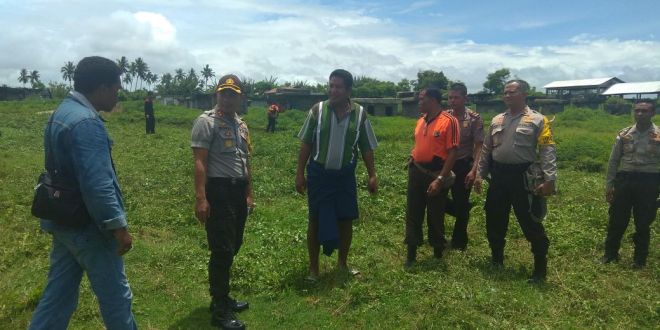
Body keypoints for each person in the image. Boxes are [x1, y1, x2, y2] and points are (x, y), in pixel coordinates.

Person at [29, 56, 137, 329]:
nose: (117, 94)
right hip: (88, 226)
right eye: (116, 88)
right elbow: (97, 184)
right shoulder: (87, 123)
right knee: (116, 297)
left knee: (58, 296)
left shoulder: (61, 113)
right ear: (101, 87)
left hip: (63, 219)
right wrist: (117, 226)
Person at [295, 69, 378, 281]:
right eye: (331, 86)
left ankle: (342, 263)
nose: (333, 90)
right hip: (319, 176)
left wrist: (372, 175)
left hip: (344, 177)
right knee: (315, 220)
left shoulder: (359, 114)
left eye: (338, 87)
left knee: (346, 219)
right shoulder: (317, 110)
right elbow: (306, 144)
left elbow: (366, 147)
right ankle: (314, 269)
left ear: (348, 90)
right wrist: (299, 173)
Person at [474, 79, 557, 284]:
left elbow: (547, 151)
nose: (507, 96)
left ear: (524, 94)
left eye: (512, 92)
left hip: (523, 177)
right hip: (499, 176)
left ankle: (539, 269)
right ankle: (497, 260)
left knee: (530, 221)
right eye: (505, 93)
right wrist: (479, 174)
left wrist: (550, 179)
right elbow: (486, 150)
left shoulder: (538, 120)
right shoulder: (496, 120)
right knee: (494, 218)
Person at [192, 74, 253, 329]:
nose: (227, 98)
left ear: (240, 98)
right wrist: (201, 198)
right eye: (223, 93)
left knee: (233, 244)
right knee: (222, 250)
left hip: (238, 192)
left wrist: (249, 194)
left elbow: (246, 162)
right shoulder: (206, 122)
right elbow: (199, 162)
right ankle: (219, 309)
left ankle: (223, 296)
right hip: (218, 191)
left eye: (233, 94)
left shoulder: (241, 125)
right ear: (217, 95)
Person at [404, 87, 460, 267]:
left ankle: (437, 251)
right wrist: (414, 156)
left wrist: (440, 179)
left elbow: (452, 153)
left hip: (435, 174)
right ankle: (411, 252)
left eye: (422, 99)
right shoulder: (421, 121)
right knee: (413, 212)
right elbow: (420, 144)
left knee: (435, 214)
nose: (419, 102)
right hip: (417, 172)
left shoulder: (449, 121)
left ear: (434, 100)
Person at [601, 100, 659, 268]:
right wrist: (609, 186)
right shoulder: (624, 134)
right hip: (625, 180)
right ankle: (610, 255)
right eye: (637, 111)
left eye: (644, 111)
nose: (640, 114)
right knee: (617, 220)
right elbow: (613, 162)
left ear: (652, 113)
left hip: (649, 182)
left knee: (643, 222)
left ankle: (640, 260)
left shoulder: (659, 135)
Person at [444, 82, 484, 251]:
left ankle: (459, 242)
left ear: (465, 98)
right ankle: (438, 236)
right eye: (450, 97)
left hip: (463, 165)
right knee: (437, 199)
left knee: (460, 204)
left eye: (456, 97)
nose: (452, 101)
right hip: (444, 165)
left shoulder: (474, 119)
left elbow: (479, 147)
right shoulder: (444, 116)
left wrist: (474, 170)